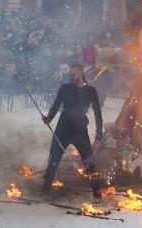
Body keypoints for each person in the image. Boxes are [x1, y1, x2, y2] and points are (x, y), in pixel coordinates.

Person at [42, 64, 103, 198]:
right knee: (54, 159)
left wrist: (99, 136)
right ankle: (45, 190)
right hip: (63, 127)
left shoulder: (90, 90)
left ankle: (97, 193)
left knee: (89, 161)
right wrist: (49, 118)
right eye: (69, 75)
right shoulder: (65, 88)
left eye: (73, 75)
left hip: (79, 128)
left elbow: (98, 114)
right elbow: (56, 106)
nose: (71, 77)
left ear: (81, 73)